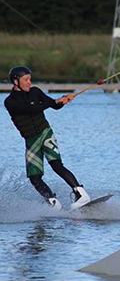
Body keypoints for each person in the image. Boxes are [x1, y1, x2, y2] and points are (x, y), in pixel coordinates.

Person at [4, 65, 91, 210]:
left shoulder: (36, 92)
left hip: (45, 133)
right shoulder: (10, 102)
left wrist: (63, 100)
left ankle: (81, 194)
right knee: (34, 177)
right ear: (15, 81)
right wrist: (53, 102)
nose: (29, 82)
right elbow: (30, 109)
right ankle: (53, 202)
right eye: (26, 79)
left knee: (57, 165)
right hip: (31, 140)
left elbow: (54, 106)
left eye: (30, 79)